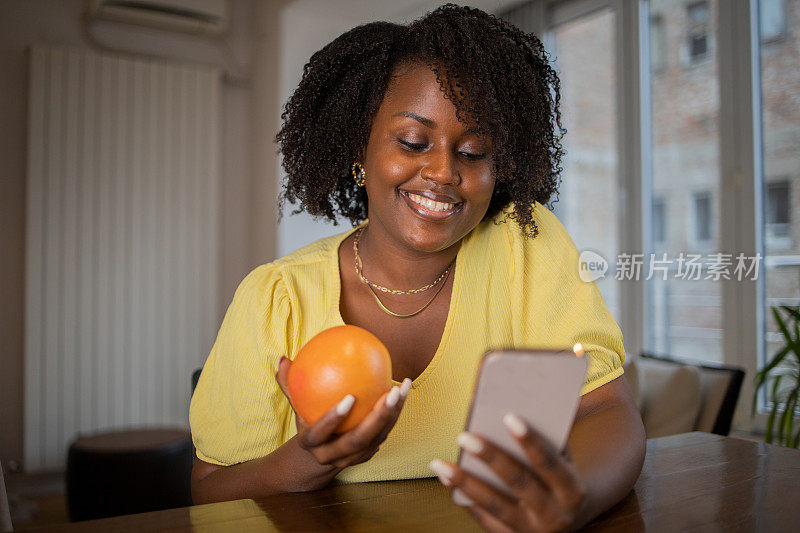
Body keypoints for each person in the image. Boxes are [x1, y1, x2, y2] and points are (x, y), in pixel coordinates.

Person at [189, 4, 645, 530]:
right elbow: (208, 490)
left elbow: (606, 411)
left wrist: (568, 501)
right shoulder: (277, 298)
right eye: (413, 142)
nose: (444, 172)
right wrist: (312, 459)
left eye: (474, 151)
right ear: (360, 147)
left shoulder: (525, 245)